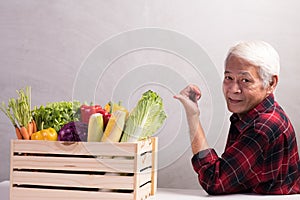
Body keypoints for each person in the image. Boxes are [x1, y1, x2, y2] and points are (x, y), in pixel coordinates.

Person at [174, 40, 300, 195]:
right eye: (228, 78)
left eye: (245, 80)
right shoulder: (251, 114)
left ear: (271, 83)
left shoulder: (263, 126)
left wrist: (193, 116)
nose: (233, 89)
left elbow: (214, 181)